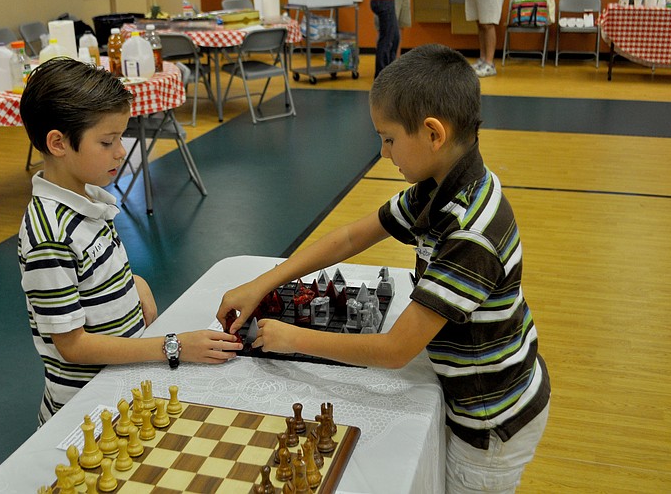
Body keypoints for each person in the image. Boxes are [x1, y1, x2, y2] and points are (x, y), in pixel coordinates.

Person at [217, 44, 550, 492]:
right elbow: (354, 236)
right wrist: (265, 281)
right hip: (477, 391)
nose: (383, 152)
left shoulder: (471, 231)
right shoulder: (437, 186)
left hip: (489, 415)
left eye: (389, 138)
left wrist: (291, 337)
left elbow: (395, 350)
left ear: (433, 133)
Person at [18, 58, 242, 424]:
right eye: (107, 141)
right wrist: (175, 346)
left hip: (121, 381)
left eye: (119, 137)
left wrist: (132, 282)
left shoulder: (87, 197)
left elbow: (91, 278)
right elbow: (72, 346)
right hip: (86, 409)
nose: (121, 151)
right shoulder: (49, 235)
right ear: (58, 143)